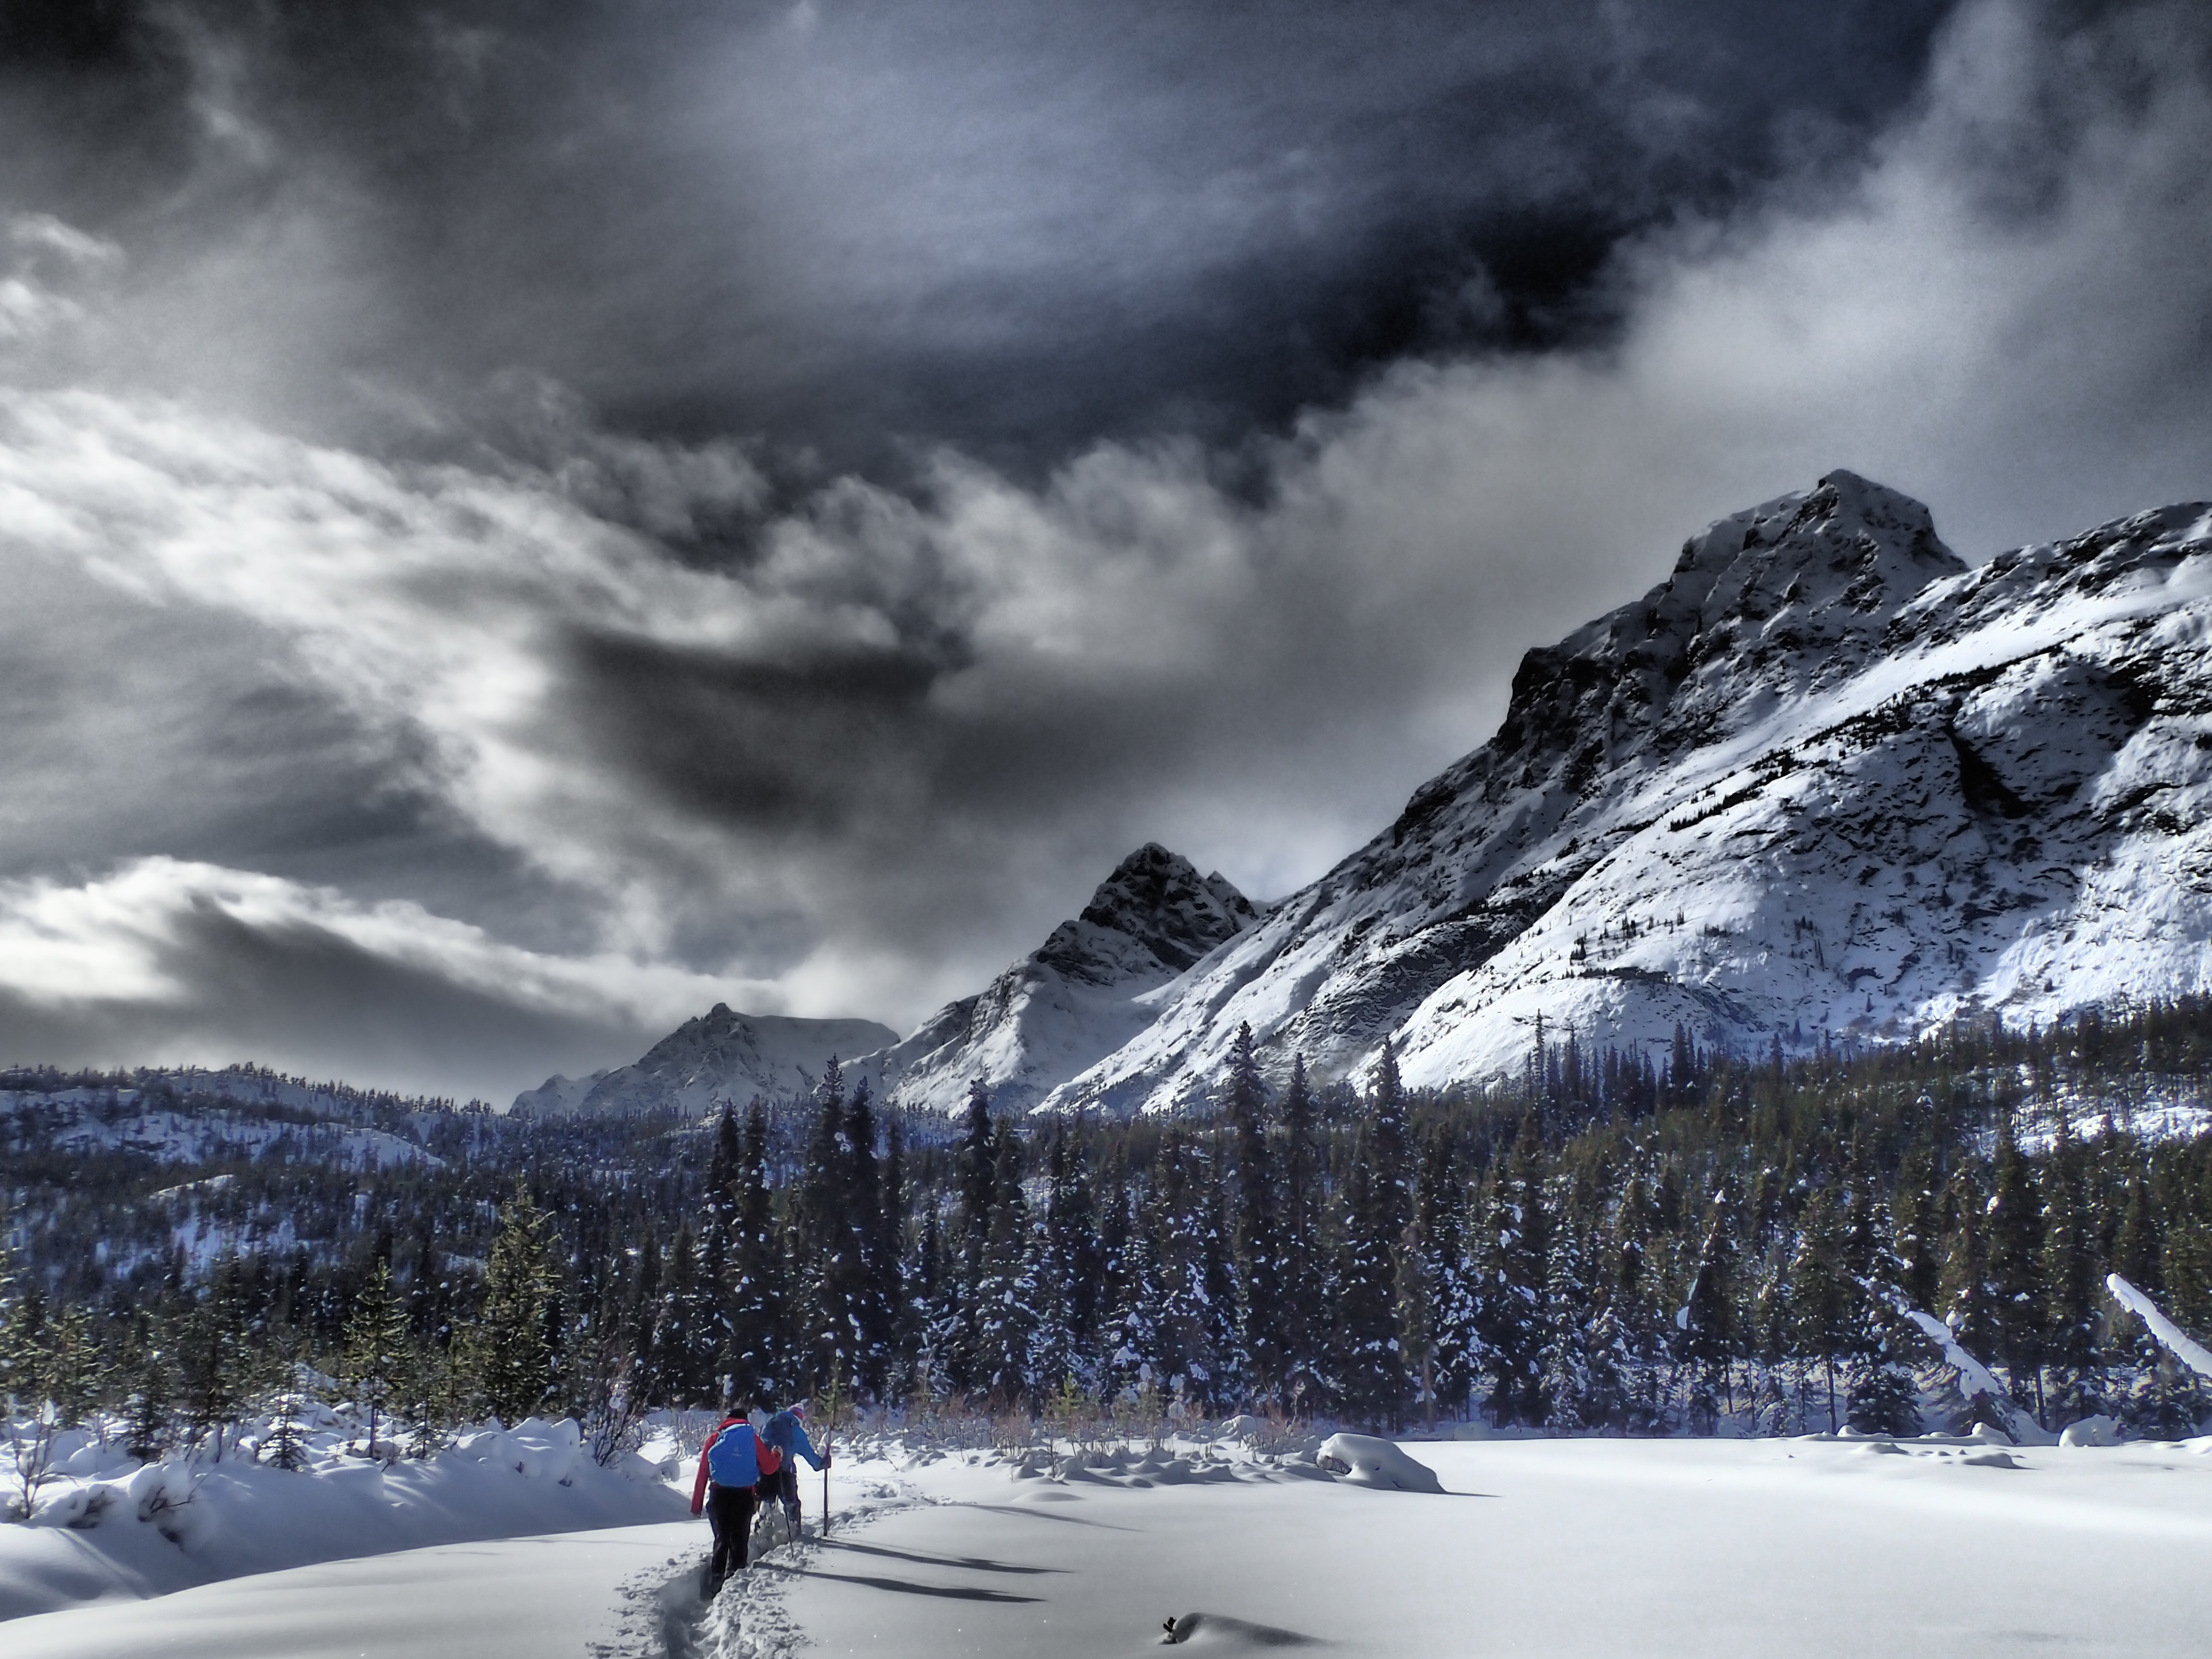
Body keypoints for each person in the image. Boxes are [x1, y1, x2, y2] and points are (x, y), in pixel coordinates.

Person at [690, 1395, 762, 1597]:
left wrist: (696, 1505)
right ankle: (736, 1580)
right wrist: (778, 1455)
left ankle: (716, 1578)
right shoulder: (751, 1438)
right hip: (744, 1496)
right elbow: (769, 1465)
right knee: (739, 1538)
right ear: (746, 1421)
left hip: (719, 1495)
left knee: (722, 1538)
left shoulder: (715, 1438)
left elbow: (703, 1472)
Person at [756, 1399, 830, 1540]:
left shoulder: (769, 1426)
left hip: (766, 1472)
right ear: (799, 1419)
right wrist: (823, 1463)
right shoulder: (795, 1431)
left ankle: (761, 1537)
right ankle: (794, 1536)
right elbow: (812, 1459)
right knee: (792, 1505)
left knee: (767, 1504)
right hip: (785, 1473)